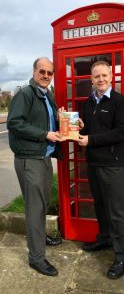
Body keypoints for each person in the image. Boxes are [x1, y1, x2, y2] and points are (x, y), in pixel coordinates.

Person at [7, 57, 65, 277]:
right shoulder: (25, 94)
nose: (46, 76)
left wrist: (68, 122)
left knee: (42, 204)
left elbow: (51, 121)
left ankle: (39, 239)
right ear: (34, 72)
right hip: (29, 159)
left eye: (50, 73)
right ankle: (36, 259)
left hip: (43, 157)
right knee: (35, 209)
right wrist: (44, 135)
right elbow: (14, 122)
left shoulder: (47, 94)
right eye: (42, 71)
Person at [78, 61, 124, 279]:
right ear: (91, 79)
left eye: (104, 75)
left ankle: (122, 257)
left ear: (111, 77)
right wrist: (80, 126)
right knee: (100, 205)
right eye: (96, 76)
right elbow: (90, 128)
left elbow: (121, 132)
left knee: (117, 211)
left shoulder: (120, 102)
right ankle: (104, 239)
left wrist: (90, 139)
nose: (100, 79)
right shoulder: (89, 102)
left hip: (112, 165)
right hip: (93, 164)